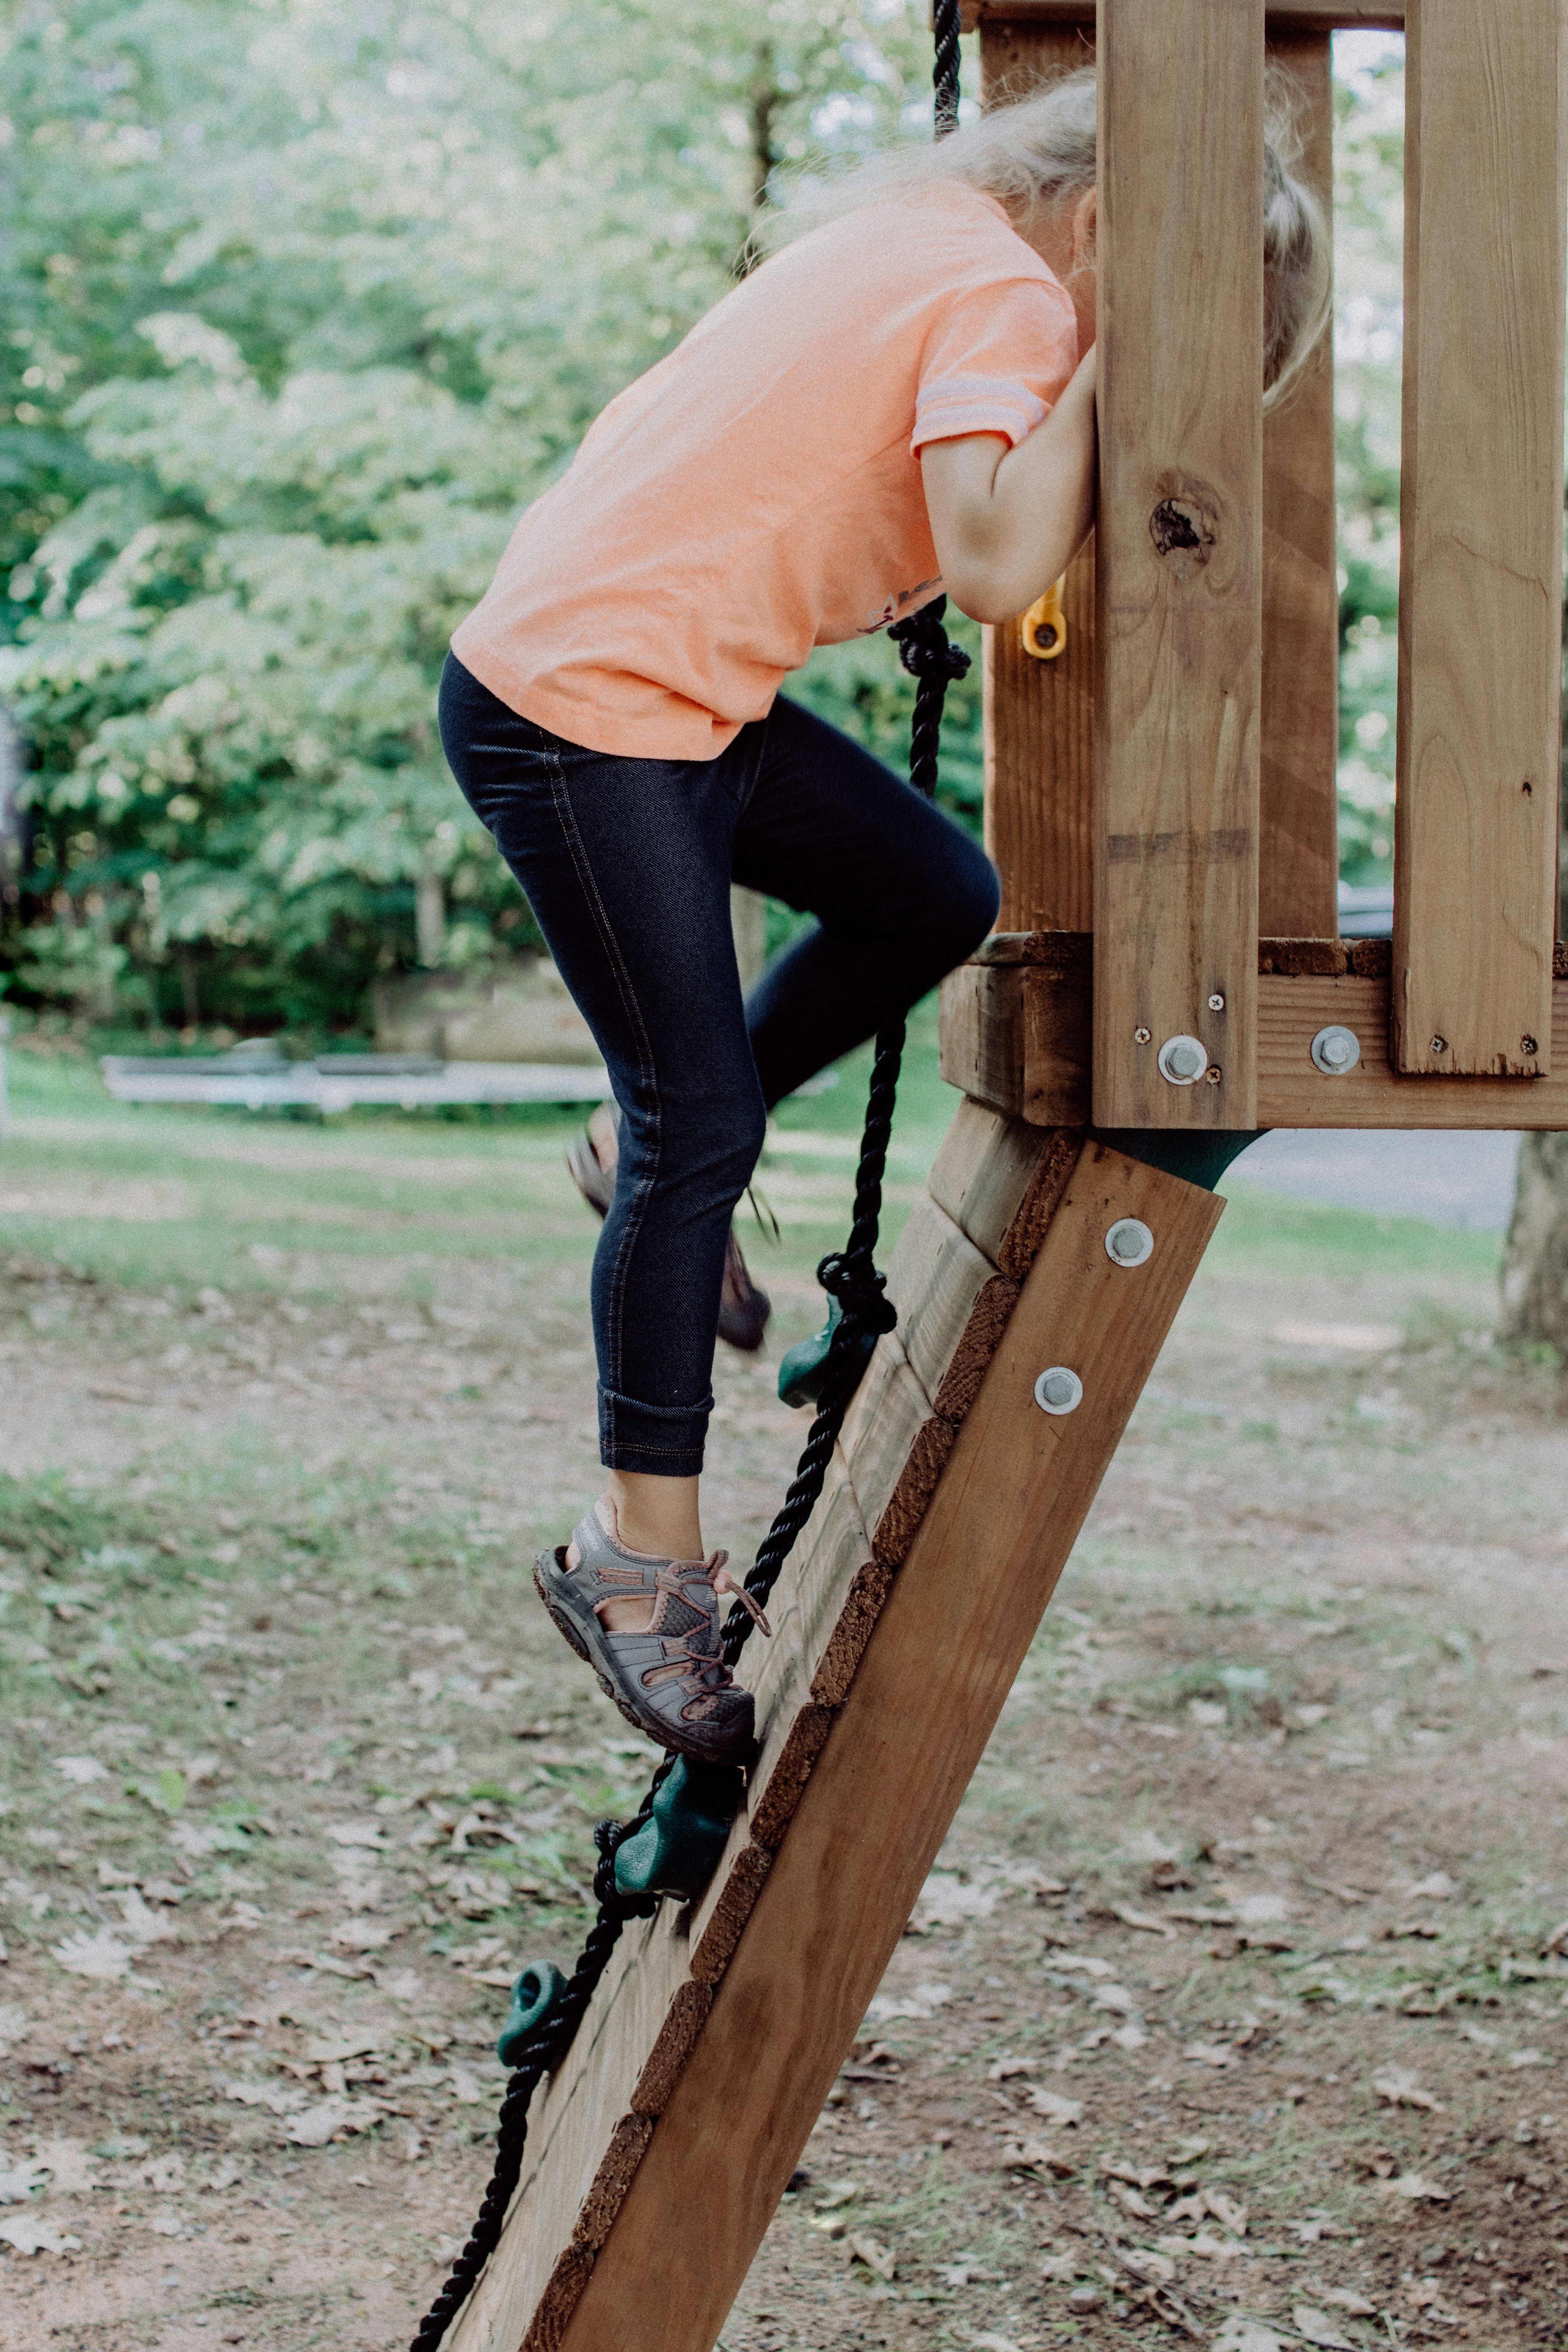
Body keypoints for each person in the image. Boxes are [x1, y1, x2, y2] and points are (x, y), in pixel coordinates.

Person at [438, 68, 1328, 1768]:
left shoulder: (916, 232)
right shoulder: (1003, 286)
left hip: (663, 693)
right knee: (695, 1117)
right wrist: (1122, 354)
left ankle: (646, 1166)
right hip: (588, 708)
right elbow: (998, 567)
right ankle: (635, 1570)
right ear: (1109, 235)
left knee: (934, 889)